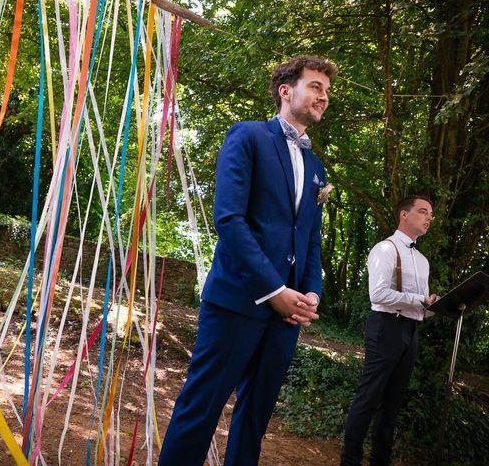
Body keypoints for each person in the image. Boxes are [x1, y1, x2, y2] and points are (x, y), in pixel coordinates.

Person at [158, 55, 337, 465]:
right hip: (238, 300)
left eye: (327, 92)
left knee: (256, 417)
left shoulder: (316, 167)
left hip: (288, 315)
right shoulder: (248, 136)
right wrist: (274, 290)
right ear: (286, 90)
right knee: (201, 406)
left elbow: (310, 241)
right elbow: (230, 220)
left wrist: (310, 293)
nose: (323, 97)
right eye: (315, 87)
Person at [341, 195, 439, 466]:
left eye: (431, 213)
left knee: (393, 403)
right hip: (386, 327)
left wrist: (435, 306)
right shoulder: (385, 249)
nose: (429, 217)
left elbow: (421, 306)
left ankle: (380, 461)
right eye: (423, 211)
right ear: (404, 215)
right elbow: (379, 293)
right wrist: (419, 300)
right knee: (368, 398)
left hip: (411, 331)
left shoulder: (423, 261)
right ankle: (350, 461)